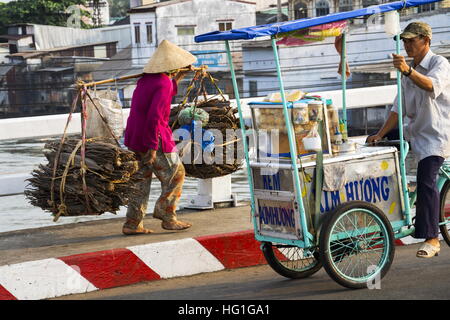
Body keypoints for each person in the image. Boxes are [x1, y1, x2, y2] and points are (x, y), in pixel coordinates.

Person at [366, 22, 450, 258]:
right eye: (404, 41)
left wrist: (407, 71)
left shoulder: (438, 63)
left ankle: (433, 239)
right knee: (372, 142)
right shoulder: (408, 70)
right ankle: (393, 192)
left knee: (426, 180)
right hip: (414, 130)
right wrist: (380, 134)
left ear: (426, 40)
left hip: (437, 134)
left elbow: (431, 86)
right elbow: (397, 108)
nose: (407, 44)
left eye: (412, 40)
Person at [122, 40, 197, 235]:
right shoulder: (163, 83)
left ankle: (132, 223)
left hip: (135, 137)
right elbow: (155, 117)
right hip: (154, 138)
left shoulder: (147, 80)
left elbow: (166, 89)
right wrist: (153, 147)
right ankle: (167, 215)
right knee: (177, 174)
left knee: (140, 180)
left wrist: (180, 75)